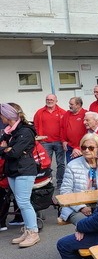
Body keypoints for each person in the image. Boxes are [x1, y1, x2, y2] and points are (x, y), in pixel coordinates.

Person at [0, 103, 40, 248]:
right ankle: (28, 230)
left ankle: (33, 232)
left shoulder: (25, 131)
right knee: (21, 202)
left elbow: (14, 152)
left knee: (23, 202)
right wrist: (6, 149)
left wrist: (6, 149)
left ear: (7, 115)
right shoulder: (10, 131)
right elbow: (6, 150)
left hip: (24, 170)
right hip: (12, 170)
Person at [58, 134, 98, 225]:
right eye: (83, 147)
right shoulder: (72, 165)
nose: (86, 150)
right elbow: (65, 191)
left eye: (91, 148)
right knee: (86, 226)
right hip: (74, 206)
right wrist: (81, 207)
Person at [33, 94, 66, 190]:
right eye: (47, 99)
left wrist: (64, 140)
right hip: (45, 142)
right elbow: (35, 126)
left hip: (59, 142)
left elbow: (65, 127)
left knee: (61, 164)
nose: (49, 101)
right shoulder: (39, 112)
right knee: (46, 163)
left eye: (51, 99)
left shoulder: (63, 112)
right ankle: (48, 181)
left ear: (56, 100)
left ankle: (60, 183)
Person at [61, 97, 88, 163]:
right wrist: (63, 141)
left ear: (78, 105)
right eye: (69, 104)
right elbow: (62, 128)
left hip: (82, 148)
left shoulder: (86, 114)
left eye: (71, 104)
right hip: (70, 147)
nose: (69, 106)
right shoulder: (67, 114)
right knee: (70, 167)